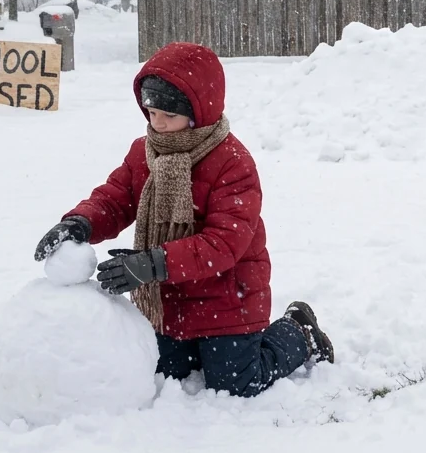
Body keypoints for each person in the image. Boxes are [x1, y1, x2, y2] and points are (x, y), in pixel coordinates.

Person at [33, 42, 334, 398]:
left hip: (228, 297)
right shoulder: (145, 151)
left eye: (169, 116)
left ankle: (298, 330)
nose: (157, 124)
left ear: (198, 111)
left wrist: (152, 263)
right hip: (171, 300)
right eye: (151, 112)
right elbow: (116, 197)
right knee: (165, 371)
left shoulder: (232, 163)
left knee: (236, 383)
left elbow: (225, 243)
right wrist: (81, 222)